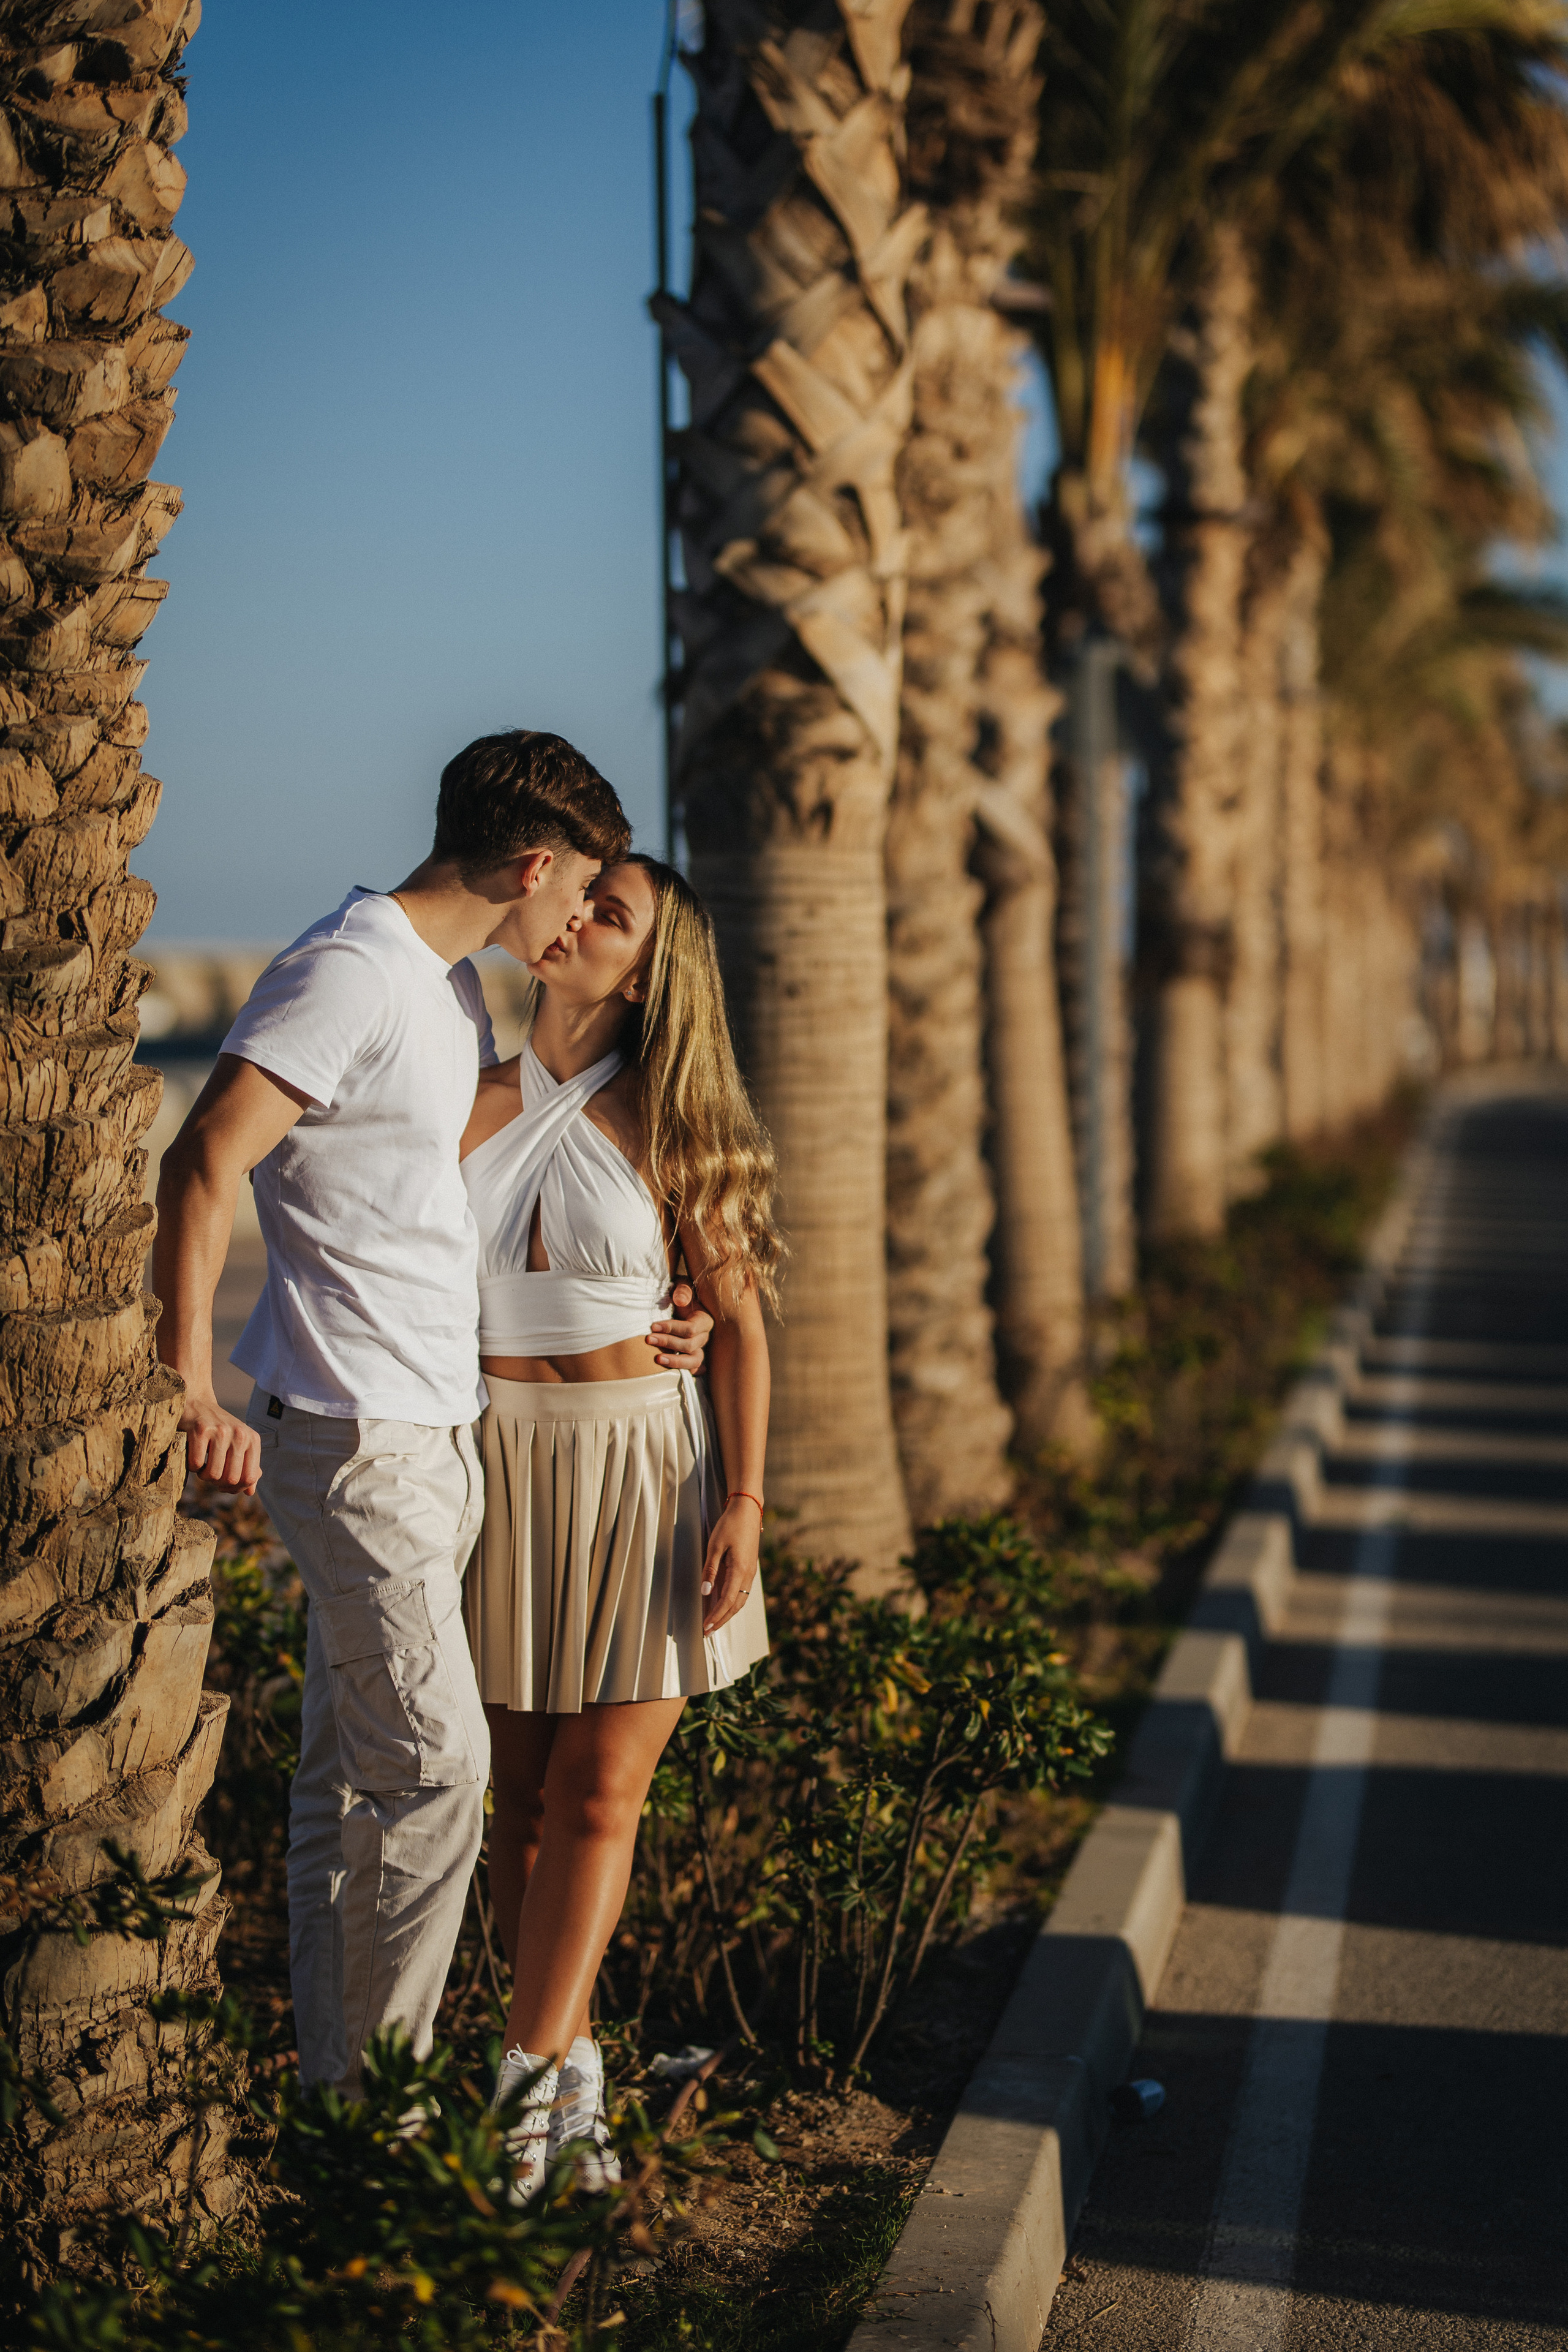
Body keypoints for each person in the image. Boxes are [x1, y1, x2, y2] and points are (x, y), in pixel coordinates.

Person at [152, 732, 712, 2097]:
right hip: (357, 1437)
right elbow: (206, 1157)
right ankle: (387, 2125)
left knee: (349, 1786)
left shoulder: (449, 989)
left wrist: (659, 1305)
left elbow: (472, 1210)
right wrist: (187, 1379)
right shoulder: (351, 971)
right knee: (437, 1777)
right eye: (579, 889)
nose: (577, 919)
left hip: (440, 1431)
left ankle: (338, 2102)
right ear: (532, 864)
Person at [459, 852, 779, 2194]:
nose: (577, 920)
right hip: (498, 1468)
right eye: (581, 898)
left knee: (601, 1792)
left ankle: (519, 2103)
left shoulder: (673, 1119)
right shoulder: (462, 1096)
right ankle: (574, 2080)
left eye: (611, 915)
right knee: (519, 1805)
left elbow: (739, 1327)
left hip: (644, 1469)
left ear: (648, 974)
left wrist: (745, 1503)